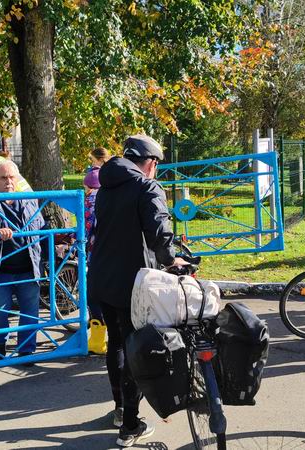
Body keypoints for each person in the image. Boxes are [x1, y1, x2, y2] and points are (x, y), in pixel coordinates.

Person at [88, 134, 187, 447]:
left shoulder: (106, 188)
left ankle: (120, 409)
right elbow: (159, 233)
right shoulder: (147, 187)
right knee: (135, 348)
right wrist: (172, 259)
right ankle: (130, 426)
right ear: (151, 163)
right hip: (133, 283)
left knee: (116, 344)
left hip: (102, 279)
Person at [0, 160, 45, 366]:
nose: (8, 182)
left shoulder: (30, 201)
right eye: (3, 178)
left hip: (29, 269)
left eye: (12, 177)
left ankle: (26, 351)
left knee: (30, 312)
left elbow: (41, 226)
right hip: (0, 271)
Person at [82, 167, 106, 355]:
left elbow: (86, 228)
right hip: (114, 253)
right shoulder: (111, 196)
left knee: (94, 296)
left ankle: (97, 342)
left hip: (95, 254)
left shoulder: (89, 200)